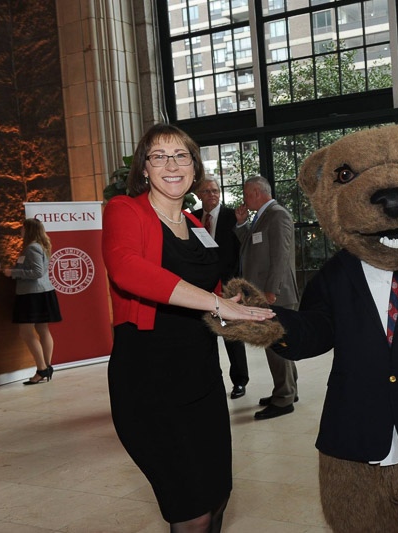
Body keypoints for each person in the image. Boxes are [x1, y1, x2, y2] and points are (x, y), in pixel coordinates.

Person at [102, 123, 272, 532]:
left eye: (181, 155)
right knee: (190, 510)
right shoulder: (125, 211)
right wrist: (214, 302)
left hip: (201, 377)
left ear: (194, 168)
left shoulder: (198, 227)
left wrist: (230, 307)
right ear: (144, 169)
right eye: (159, 156)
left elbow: (206, 294)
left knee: (217, 495)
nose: (171, 164)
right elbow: (127, 270)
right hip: (148, 378)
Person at [235, 175, 300, 420]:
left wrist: (272, 290)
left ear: (257, 192)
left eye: (246, 193)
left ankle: (284, 400)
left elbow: (282, 256)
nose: (244, 198)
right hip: (267, 293)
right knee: (280, 345)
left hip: (276, 294)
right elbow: (252, 249)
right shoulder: (261, 216)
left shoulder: (277, 214)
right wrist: (242, 224)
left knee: (277, 347)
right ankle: (287, 391)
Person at [193, 176, 250, 398]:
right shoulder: (193, 218)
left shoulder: (231, 217)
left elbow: (243, 250)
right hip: (201, 288)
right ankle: (208, 381)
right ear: (199, 195)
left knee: (232, 335)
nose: (212, 195)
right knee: (204, 335)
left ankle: (240, 381)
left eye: (215, 190)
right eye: (207, 191)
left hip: (227, 287)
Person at [3, 218, 62, 385]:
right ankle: (46, 367)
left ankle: (42, 369)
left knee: (26, 332)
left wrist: (13, 273)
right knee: (42, 329)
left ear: (28, 230)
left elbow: (37, 272)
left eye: (22, 228)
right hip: (41, 293)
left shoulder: (32, 247)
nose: (20, 231)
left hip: (32, 294)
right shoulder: (39, 246)